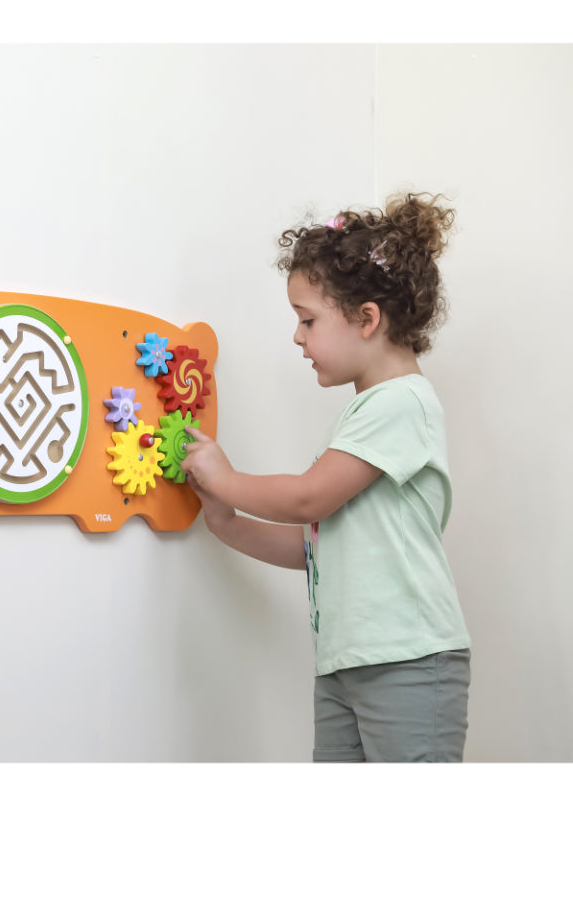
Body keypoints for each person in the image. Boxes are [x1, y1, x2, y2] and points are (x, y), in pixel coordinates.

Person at [180, 193, 471, 762]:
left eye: (307, 320)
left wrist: (226, 477)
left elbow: (307, 498)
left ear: (367, 319)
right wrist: (226, 523)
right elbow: (317, 545)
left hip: (408, 660)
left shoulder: (403, 404)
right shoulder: (363, 418)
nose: (297, 337)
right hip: (345, 662)